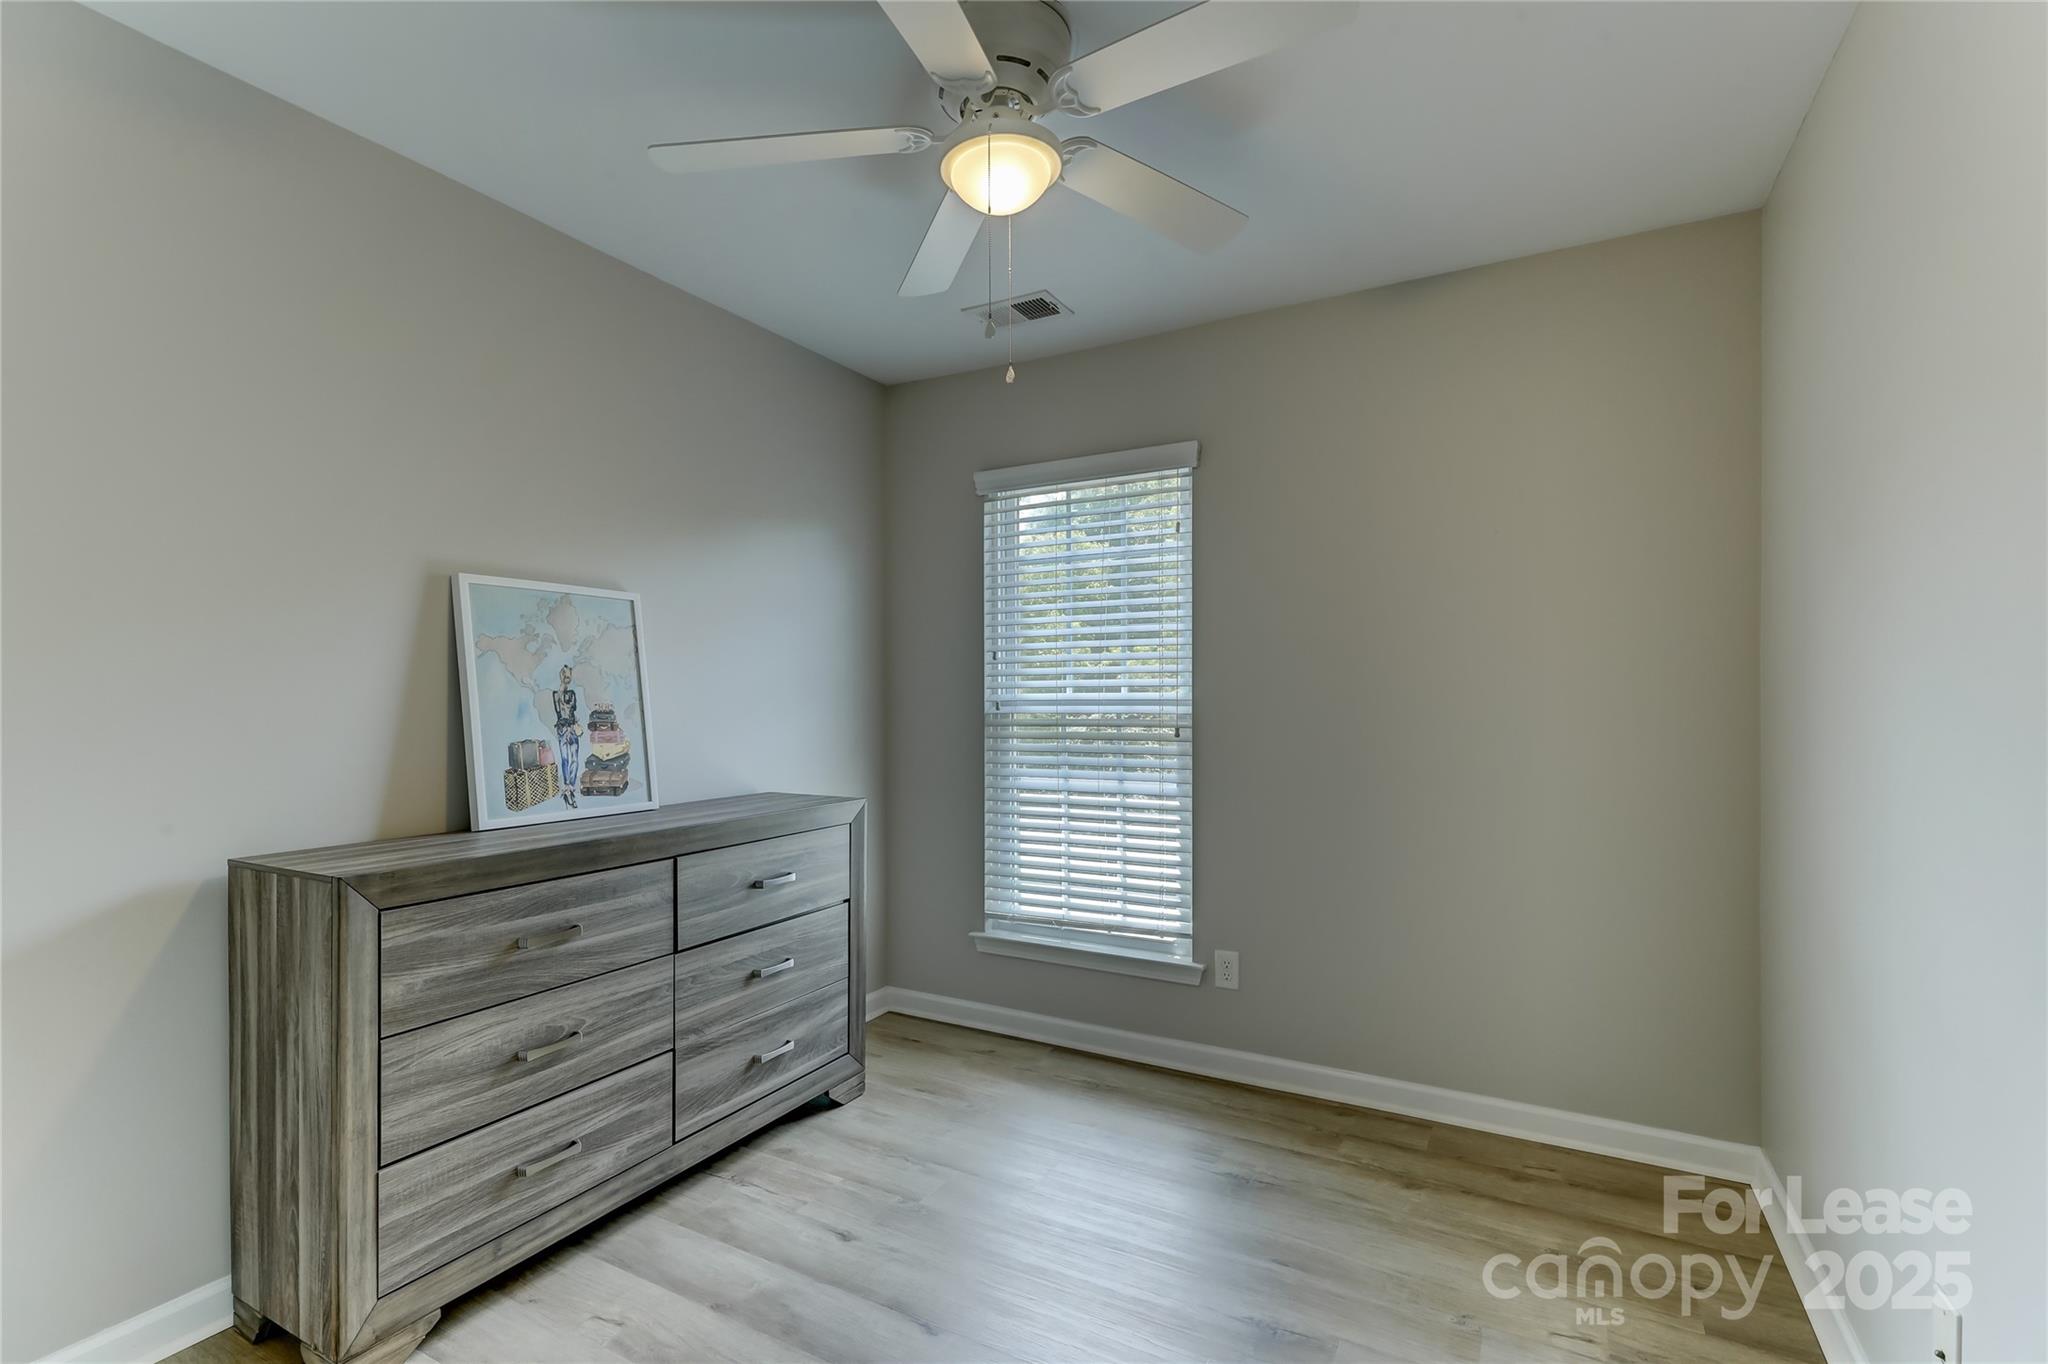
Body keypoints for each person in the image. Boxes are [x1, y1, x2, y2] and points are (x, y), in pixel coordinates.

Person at [551, 664, 583, 808]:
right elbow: (560, 709)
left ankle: (570, 788)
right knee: (565, 759)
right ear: (561, 675)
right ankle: (567, 788)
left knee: (575, 759)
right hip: (562, 730)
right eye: (565, 675)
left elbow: (571, 710)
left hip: (571, 728)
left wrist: (576, 724)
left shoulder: (572, 694)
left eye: (568, 675)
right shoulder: (556, 695)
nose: (567, 678)